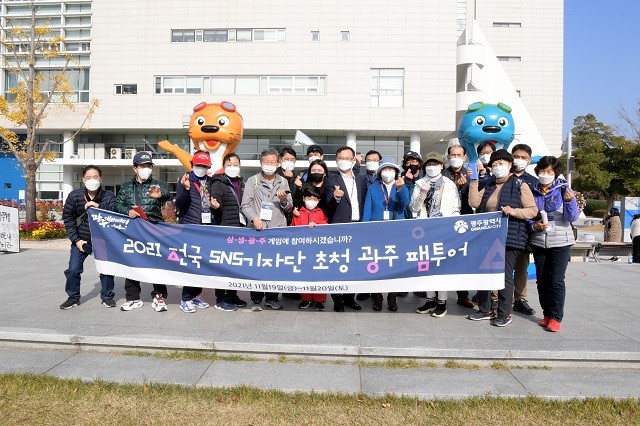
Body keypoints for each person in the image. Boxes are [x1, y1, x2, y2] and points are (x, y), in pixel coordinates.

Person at [467, 149, 538, 327]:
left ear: (510, 165)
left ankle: (504, 313)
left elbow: (532, 210)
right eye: (495, 164)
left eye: (502, 163)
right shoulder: (490, 184)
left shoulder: (520, 184)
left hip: (510, 237)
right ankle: (485, 309)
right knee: (484, 273)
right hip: (487, 237)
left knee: (504, 275)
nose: (498, 167)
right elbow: (474, 203)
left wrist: (513, 211)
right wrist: (474, 181)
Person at [114, 151, 172, 312]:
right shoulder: (126, 186)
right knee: (132, 261)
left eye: (148, 166)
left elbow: (167, 195)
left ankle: (159, 296)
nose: (146, 169)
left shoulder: (158, 184)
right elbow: (117, 205)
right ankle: (133, 298)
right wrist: (128, 211)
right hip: (133, 228)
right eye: (142, 166)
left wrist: (160, 195)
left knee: (157, 261)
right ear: (135, 168)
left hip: (154, 228)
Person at [528, 156, 579, 332]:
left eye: (549, 171)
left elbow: (572, 217)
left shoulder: (564, 189)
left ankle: (556, 317)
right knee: (542, 281)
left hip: (561, 241)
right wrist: (534, 225)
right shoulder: (532, 190)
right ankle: (547, 314)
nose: (545, 174)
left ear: (556, 173)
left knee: (556, 280)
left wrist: (570, 201)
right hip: (539, 241)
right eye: (542, 171)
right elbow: (528, 216)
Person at [241, 148, 293, 311]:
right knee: (257, 265)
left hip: (278, 230)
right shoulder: (253, 181)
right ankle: (256, 299)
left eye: (272, 162)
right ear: (261, 163)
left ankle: (272, 297)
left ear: (278, 163)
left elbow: (289, 207)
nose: (269, 165)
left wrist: (284, 201)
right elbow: (245, 205)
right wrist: (254, 218)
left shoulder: (283, 181)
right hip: (258, 230)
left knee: (275, 265)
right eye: (266, 162)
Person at [410, 152, 461, 317]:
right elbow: (414, 207)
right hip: (425, 230)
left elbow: (455, 207)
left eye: (435, 164)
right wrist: (422, 194)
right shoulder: (419, 183)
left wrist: (452, 226)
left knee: (442, 265)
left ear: (441, 166)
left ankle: (442, 302)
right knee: (426, 264)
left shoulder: (449, 184)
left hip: (444, 230)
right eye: (429, 164)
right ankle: (430, 299)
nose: (432, 167)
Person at [60, 165, 117, 309]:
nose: (92, 180)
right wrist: (76, 240)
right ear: (83, 179)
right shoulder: (74, 196)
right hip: (82, 240)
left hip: (103, 240)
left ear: (101, 178)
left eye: (95, 177)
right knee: (73, 269)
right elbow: (68, 219)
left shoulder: (109, 196)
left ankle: (107, 296)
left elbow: (115, 214)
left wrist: (98, 206)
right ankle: (73, 297)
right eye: (88, 177)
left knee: (106, 270)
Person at [362, 156, 410, 311]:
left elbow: (404, 205)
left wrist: (401, 189)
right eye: (385, 169)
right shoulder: (373, 188)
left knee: (393, 263)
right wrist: (364, 229)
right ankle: (377, 295)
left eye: (391, 169)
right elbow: (367, 210)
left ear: (395, 171)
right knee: (376, 263)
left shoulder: (401, 185)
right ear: (380, 172)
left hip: (396, 231)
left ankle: (392, 295)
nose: (388, 172)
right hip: (376, 231)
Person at [324, 146, 367, 312]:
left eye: (347, 158)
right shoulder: (331, 180)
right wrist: (336, 197)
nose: (344, 161)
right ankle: (337, 300)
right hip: (339, 227)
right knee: (337, 263)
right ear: (336, 160)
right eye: (341, 158)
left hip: (357, 227)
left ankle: (350, 298)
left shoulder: (361, 180)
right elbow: (328, 205)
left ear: (354, 160)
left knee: (354, 264)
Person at [174, 151, 214, 313]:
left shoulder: (210, 181)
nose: (201, 168)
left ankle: (196, 295)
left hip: (206, 228)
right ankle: (185, 298)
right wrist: (185, 189)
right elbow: (180, 205)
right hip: (190, 228)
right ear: (192, 165)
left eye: (204, 166)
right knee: (191, 263)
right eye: (198, 165)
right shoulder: (185, 179)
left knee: (201, 264)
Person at [209, 152, 249, 309]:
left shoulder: (241, 183)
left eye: (235, 164)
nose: (232, 167)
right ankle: (221, 298)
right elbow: (215, 207)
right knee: (222, 264)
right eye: (229, 164)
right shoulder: (218, 183)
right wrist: (216, 207)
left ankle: (232, 295)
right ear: (223, 166)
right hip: (224, 230)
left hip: (239, 230)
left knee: (234, 264)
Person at [443, 143, 475, 309]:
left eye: (459, 155)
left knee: (463, 258)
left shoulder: (471, 174)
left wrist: (465, 186)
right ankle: (437, 297)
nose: (455, 158)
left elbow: (475, 200)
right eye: (453, 155)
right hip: (445, 222)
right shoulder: (442, 174)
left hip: (464, 222)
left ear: (464, 157)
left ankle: (463, 295)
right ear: (448, 157)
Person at [510, 144, 539, 316]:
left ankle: (520, 299)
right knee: (499, 266)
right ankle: (495, 297)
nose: (519, 160)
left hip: (523, 231)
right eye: (516, 156)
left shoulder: (533, 182)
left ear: (529, 161)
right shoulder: (502, 177)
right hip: (503, 229)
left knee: (521, 268)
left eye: (524, 158)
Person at [291, 184, 329, 311]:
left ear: (318, 200)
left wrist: (317, 224)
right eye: (308, 198)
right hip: (302, 251)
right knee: (304, 275)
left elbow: (326, 226)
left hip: (318, 251)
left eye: (314, 199)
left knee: (319, 275)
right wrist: (296, 217)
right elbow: (292, 230)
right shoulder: (298, 213)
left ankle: (319, 300)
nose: (311, 201)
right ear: (303, 198)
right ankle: (306, 299)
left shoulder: (320, 212)